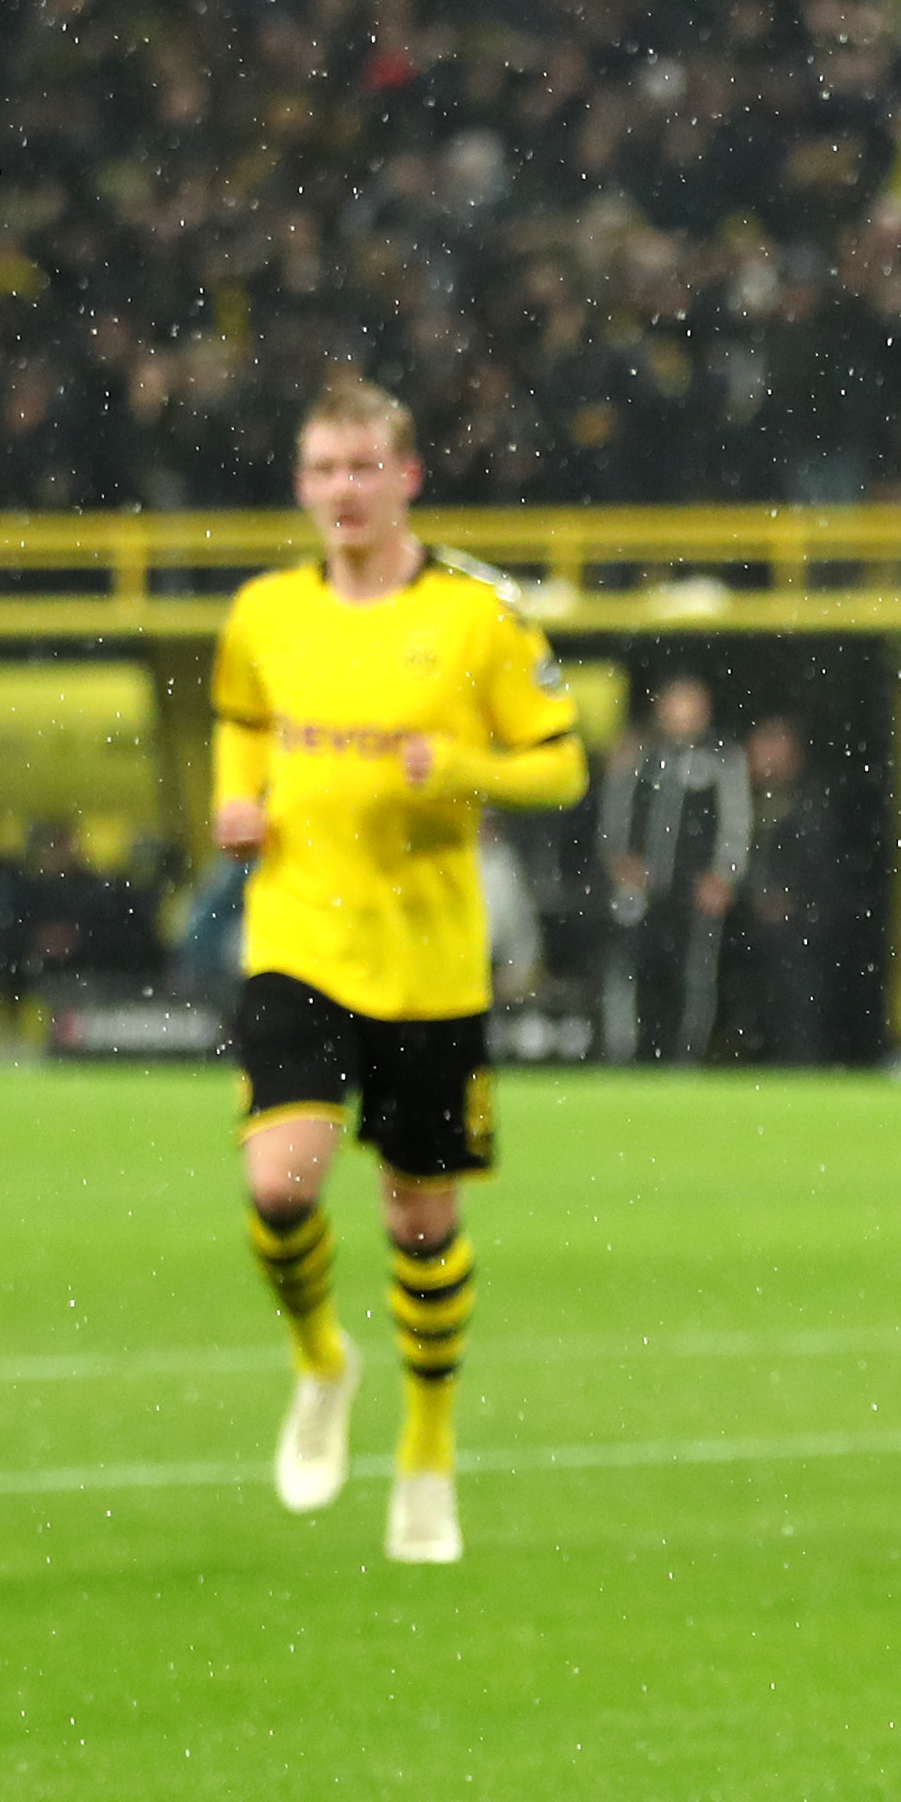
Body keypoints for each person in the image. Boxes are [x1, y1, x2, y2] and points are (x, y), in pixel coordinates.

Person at [211, 372, 587, 1565]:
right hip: (297, 935)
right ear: (301, 484)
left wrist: (464, 764)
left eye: (363, 467)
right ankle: (322, 1359)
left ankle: (426, 1447)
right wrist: (232, 799)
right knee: (281, 1179)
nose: (343, 491)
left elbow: (563, 767)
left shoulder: (480, 614)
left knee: (420, 1222)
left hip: (429, 960)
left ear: (407, 475)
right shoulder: (265, 612)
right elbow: (241, 718)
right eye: (323, 470)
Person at [596, 673, 750, 1064]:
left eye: (689, 705)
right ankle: (627, 1053)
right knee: (631, 969)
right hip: (642, 887)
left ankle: (684, 1055)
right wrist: (619, 857)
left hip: (693, 888)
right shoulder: (640, 755)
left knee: (694, 973)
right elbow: (616, 810)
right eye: (674, 704)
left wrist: (724, 874)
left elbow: (736, 820)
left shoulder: (721, 759)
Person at [731, 713, 839, 1065]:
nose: (763, 757)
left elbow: (823, 868)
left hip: (799, 932)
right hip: (748, 927)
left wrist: (793, 900)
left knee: (796, 1013)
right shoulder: (739, 802)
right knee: (750, 1011)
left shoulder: (810, 804)